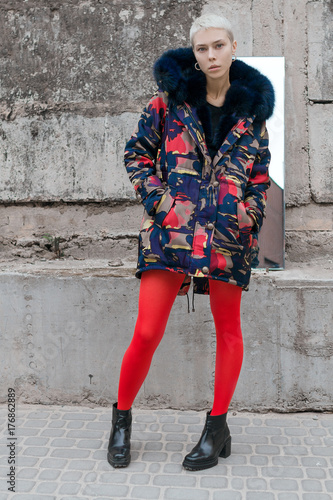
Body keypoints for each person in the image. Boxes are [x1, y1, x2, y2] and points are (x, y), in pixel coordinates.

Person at [107, 13, 274, 471]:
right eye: (202, 49)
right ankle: (121, 420)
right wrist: (162, 205)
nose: (211, 55)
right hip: (170, 233)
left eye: (219, 46)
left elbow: (259, 179)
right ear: (194, 54)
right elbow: (137, 154)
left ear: (233, 46)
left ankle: (217, 427)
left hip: (227, 237)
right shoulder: (168, 103)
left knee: (229, 333)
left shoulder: (252, 116)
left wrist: (248, 216)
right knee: (146, 331)